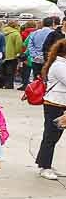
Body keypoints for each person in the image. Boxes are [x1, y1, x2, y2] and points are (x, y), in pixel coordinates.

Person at [37, 39, 66, 180]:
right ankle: (45, 166)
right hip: (55, 104)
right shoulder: (59, 65)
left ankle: (45, 163)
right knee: (50, 136)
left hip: (60, 104)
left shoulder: (61, 64)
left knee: (54, 136)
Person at [2, 20, 25, 89]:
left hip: (2, 53)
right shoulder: (16, 34)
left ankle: (0, 83)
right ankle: (9, 85)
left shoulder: (2, 32)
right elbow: (18, 45)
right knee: (10, 71)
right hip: (12, 54)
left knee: (2, 70)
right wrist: (18, 53)